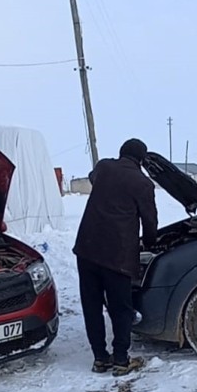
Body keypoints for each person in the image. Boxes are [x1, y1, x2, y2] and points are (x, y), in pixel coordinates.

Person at [72, 138, 158, 377]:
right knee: (120, 308)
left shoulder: (103, 167)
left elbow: (94, 177)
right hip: (117, 256)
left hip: (87, 250)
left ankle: (100, 358)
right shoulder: (142, 183)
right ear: (141, 160)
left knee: (92, 305)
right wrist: (152, 243)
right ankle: (121, 359)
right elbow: (149, 220)